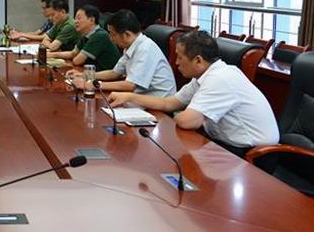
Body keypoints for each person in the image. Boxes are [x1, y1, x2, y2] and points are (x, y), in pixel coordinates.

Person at [109, 30, 279, 156]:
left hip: (251, 154)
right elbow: (169, 103)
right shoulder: (204, 75)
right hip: (224, 144)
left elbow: (187, 121)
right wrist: (129, 96)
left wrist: (178, 114)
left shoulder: (220, 78)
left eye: (179, 57)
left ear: (198, 60)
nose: (176, 63)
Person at [70, 9, 176, 96]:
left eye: (112, 34)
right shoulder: (130, 46)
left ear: (127, 34)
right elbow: (114, 73)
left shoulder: (145, 49)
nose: (111, 39)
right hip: (141, 99)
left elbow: (130, 85)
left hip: (158, 106)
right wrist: (85, 75)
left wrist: (93, 84)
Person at [46, 4, 120, 70]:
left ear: (92, 20)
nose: (75, 21)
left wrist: (72, 57)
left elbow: (77, 61)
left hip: (107, 76)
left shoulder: (100, 35)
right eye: (75, 18)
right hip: (92, 72)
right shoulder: (85, 35)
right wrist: (52, 55)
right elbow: (73, 53)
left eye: (79, 18)